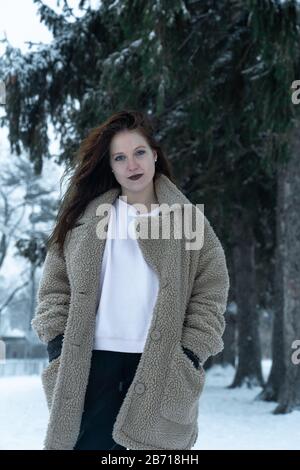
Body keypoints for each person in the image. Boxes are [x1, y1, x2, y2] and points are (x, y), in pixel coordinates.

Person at [31, 109, 230, 450]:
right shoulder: (82, 220)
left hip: (161, 364)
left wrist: (191, 351)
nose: (131, 165)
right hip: (90, 364)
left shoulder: (188, 221)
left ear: (154, 155)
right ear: (110, 166)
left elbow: (211, 288)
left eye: (138, 153)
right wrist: (56, 345)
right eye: (119, 157)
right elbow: (54, 287)